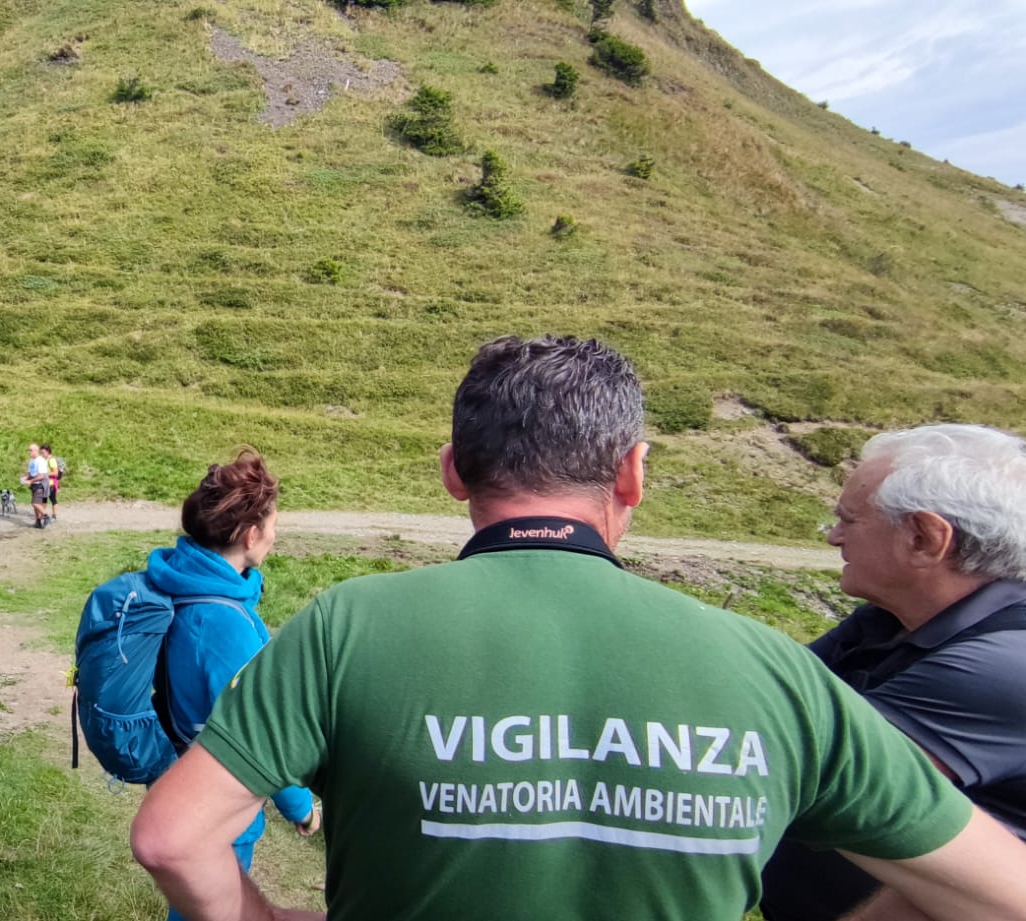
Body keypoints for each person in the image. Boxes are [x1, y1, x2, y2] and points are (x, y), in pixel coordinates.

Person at [129, 335, 1026, 921]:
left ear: (453, 471)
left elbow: (172, 837)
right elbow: (1000, 894)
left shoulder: (348, 623)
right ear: (633, 474)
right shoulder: (771, 671)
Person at [760, 424, 1026, 921]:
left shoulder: (998, 670)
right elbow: (763, 700)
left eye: (849, 520)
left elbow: (794, 774)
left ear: (925, 539)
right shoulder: (892, 620)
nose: (834, 536)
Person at [148, 450, 318, 921]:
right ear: (250, 534)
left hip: (181, 768)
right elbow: (259, 735)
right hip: (216, 798)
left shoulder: (181, 581)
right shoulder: (224, 624)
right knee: (209, 906)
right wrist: (301, 807)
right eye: (273, 525)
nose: (275, 536)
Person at [22, 443, 52, 529]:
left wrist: (30, 481)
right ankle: (38, 522)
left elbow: (42, 476)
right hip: (34, 485)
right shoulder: (32, 461)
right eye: (29, 450)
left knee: (35, 503)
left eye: (30, 450)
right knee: (36, 505)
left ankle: (46, 517)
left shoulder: (41, 461)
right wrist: (25, 478)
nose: (29, 452)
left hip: (40, 484)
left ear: (36, 451)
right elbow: (30, 472)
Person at [43, 444, 65, 521]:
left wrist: (45, 474)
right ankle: (43, 515)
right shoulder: (45, 460)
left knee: (53, 499)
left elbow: (55, 473)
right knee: (44, 499)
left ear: (47, 452)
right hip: (45, 483)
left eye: (43, 452)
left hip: (51, 483)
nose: (42, 454)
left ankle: (54, 516)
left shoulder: (51, 460)